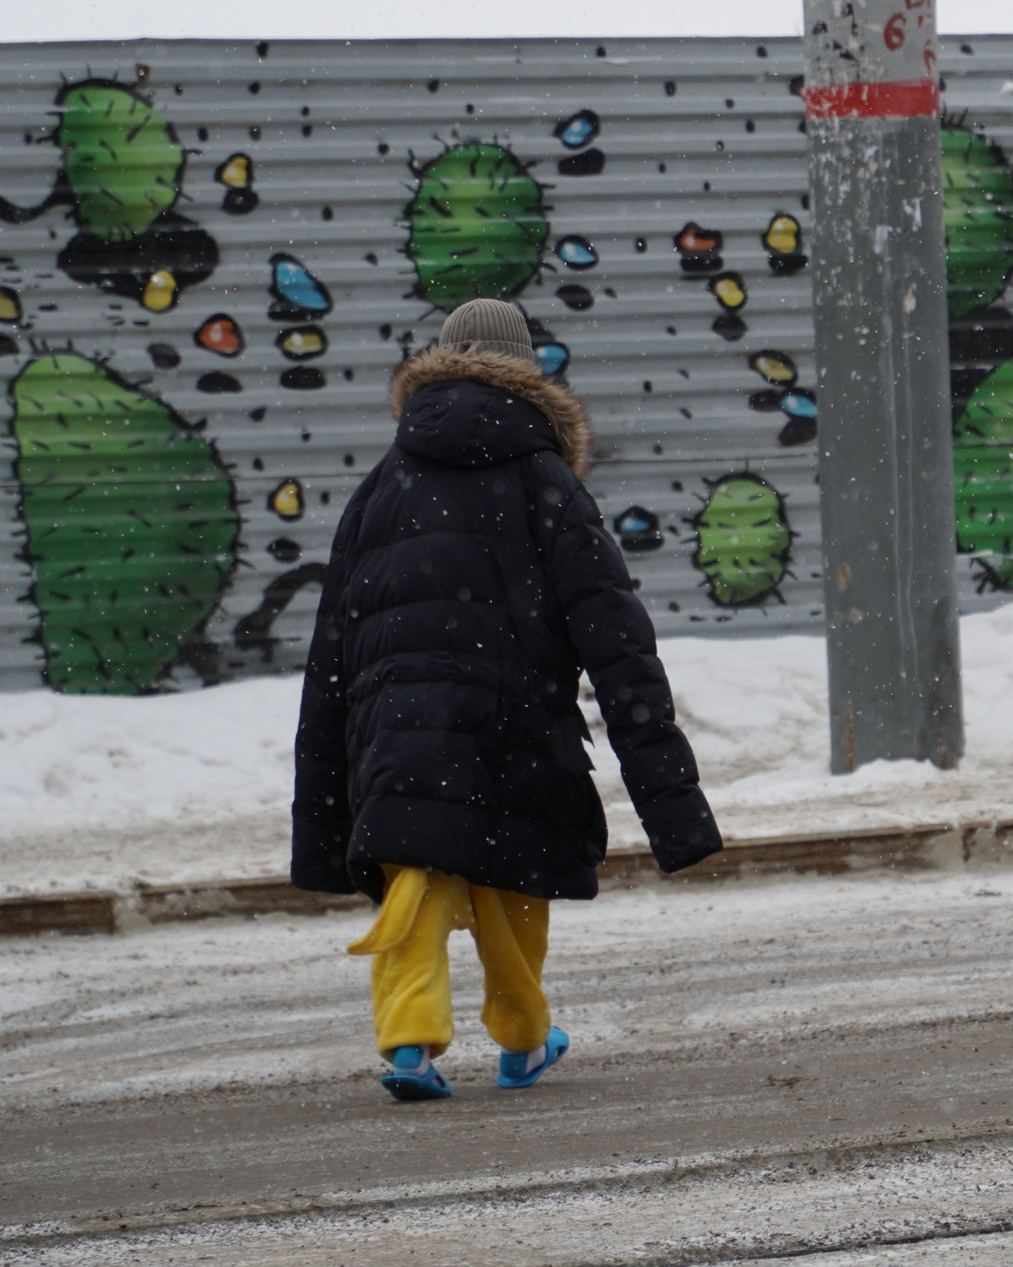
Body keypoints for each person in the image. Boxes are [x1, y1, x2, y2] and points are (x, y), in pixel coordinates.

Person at [293, 297, 722, 1100]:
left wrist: (319, 817)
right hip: (516, 728)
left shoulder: (380, 487)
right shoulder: (545, 480)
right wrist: (674, 806)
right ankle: (522, 1038)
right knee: (512, 884)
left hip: (399, 737)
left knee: (414, 879)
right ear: (525, 376)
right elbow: (616, 638)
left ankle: (409, 1043)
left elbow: (330, 661)